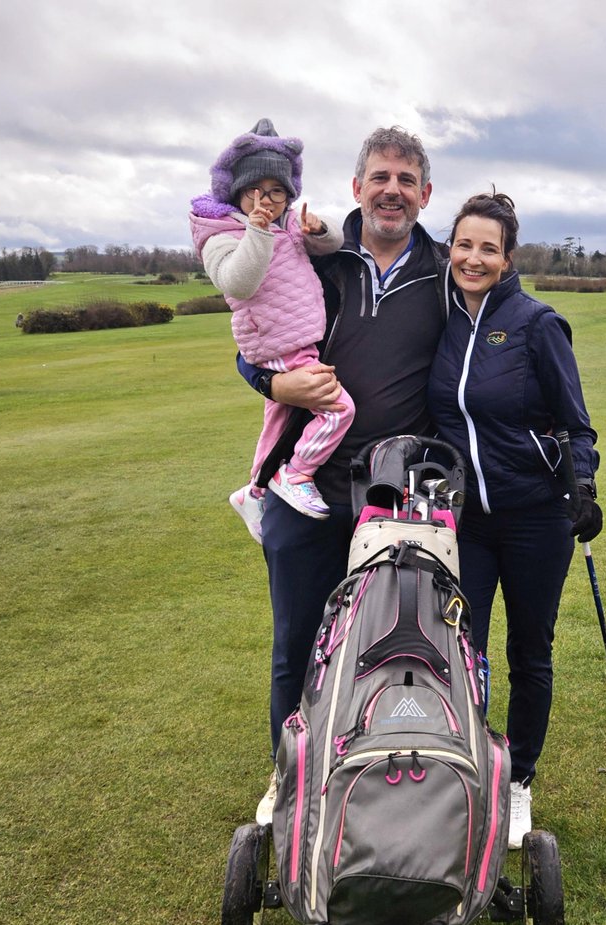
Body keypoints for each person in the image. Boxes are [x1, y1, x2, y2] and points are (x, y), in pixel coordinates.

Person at [236, 126, 449, 819]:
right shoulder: (314, 253)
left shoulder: (446, 272)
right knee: (297, 643)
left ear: (424, 194)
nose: (392, 191)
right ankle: (290, 776)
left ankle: (378, 778)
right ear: (357, 188)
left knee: (389, 648)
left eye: (406, 180)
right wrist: (269, 386)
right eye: (380, 177)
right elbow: (254, 332)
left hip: (396, 498)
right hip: (305, 492)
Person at [427, 191, 601, 848]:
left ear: (507, 257)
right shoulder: (443, 320)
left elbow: (578, 425)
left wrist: (582, 484)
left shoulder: (536, 323)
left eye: (488, 248)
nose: (473, 258)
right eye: (464, 245)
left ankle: (518, 780)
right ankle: (468, 764)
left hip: (534, 520)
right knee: (461, 649)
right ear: (452, 248)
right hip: (466, 522)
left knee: (531, 652)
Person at [190, 118, 351, 534]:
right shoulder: (221, 233)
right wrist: (258, 231)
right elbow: (239, 282)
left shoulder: (288, 225)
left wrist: (320, 229)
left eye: (277, 191)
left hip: (293, 336)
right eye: (256, 191)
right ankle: (295, 474)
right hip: (276, 340)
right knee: (339, 410)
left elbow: (333, 242)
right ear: (239, 192)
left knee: (278, 421)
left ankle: (255, 491)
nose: (267, 200)